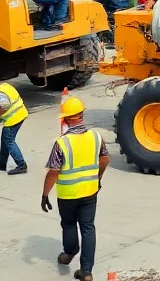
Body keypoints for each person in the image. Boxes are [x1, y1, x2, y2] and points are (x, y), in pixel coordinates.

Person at [42, 97, 109, 281]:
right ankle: (86, 272)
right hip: (90, 191)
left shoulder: (62, 143)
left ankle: (70, 252)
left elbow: (53, 172)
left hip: (68, 195)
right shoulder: (96, 137)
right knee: (88, 228)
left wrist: (45, 194)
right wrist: (98, 177)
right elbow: (105, 158)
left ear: (65, 119)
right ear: (81, 115)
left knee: (69, 224)